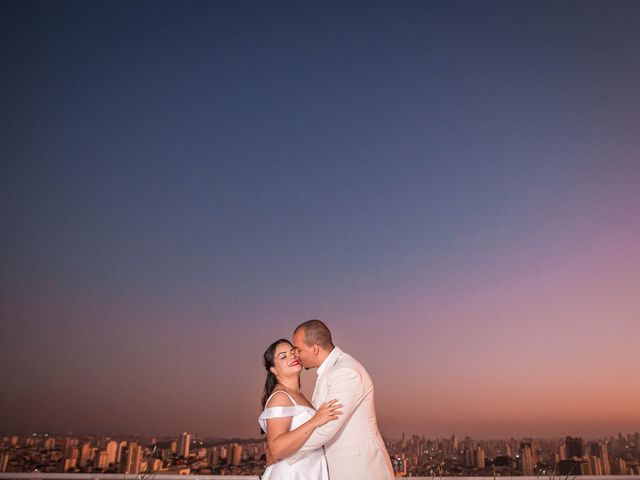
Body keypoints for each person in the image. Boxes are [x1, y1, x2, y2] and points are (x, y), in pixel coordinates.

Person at [285, 319, 395, 480]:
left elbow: (326, 428)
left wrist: (286, 453)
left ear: (315, 348)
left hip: (359, 470)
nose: (296, 355)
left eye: (298, 350)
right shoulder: (332, 371)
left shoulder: (345, 372)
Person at [258, 338, 343, 480]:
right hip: (292, 473)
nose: (292, 356)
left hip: (310, 469)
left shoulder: (298, 395)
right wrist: (315, 421)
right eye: (283, 356)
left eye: (293, 352)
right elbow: (276, 449)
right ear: (273, 369)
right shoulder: (280, 396)